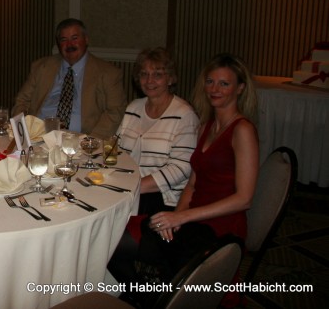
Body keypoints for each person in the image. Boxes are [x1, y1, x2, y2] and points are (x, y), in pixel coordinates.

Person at [108, 53, 258, 306]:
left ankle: (156, 297)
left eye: (224, 83)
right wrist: (176, 216)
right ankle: (151, 296)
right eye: (210, 82)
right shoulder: (207, 127)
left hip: (219, 226)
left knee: (114, 245)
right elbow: (192, 183)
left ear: (240, 88)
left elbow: (244, 199)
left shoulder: (242, 130)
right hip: (191, 217)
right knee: (109, 240)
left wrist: (181, 217)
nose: (214, 89)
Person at [12, 18, 126, 139]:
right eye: (64, 40)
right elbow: (21, 101)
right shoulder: (42, 67)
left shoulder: (108, 73)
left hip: (81, 141)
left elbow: (115, 111)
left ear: (86, 39)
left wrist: (91, 142)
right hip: (39, 138)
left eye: (74, 38)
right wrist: (23, 134)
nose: (69, 44)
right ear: (58, 44)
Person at [116, 48, 198, 215]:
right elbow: (115, 149)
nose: (149, 80)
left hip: (162, 199)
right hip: (129, 190)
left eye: (158, 75)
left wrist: (134, 186)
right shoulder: (134, 108)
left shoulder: (184, 115)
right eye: (144, 74)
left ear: (170, 79)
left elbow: (181, 168)